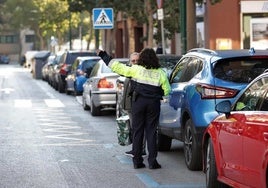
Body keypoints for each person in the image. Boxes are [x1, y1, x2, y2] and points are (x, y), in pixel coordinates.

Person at [97, 48, 171, 169]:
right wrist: (161, 96)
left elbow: (117, 67)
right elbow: (167, 90)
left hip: (138, 103)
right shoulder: (161, 73)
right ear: (154, 59)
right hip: (153, 104)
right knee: (151, 132)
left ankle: (137, 162)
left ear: (141, 59)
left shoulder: (136, 69)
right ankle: (152, 162)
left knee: (137, 131)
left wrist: (103, 55)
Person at [122, 52, 146, 158]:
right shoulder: (130, 71)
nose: (135, 63)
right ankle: (136, 149)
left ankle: (140, 150)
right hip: (130, 106)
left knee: (139, 128)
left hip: (137, 105)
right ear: (130, 62)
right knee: (134, 128)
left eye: (137, 61)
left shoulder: (141, 73)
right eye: (133, 61)